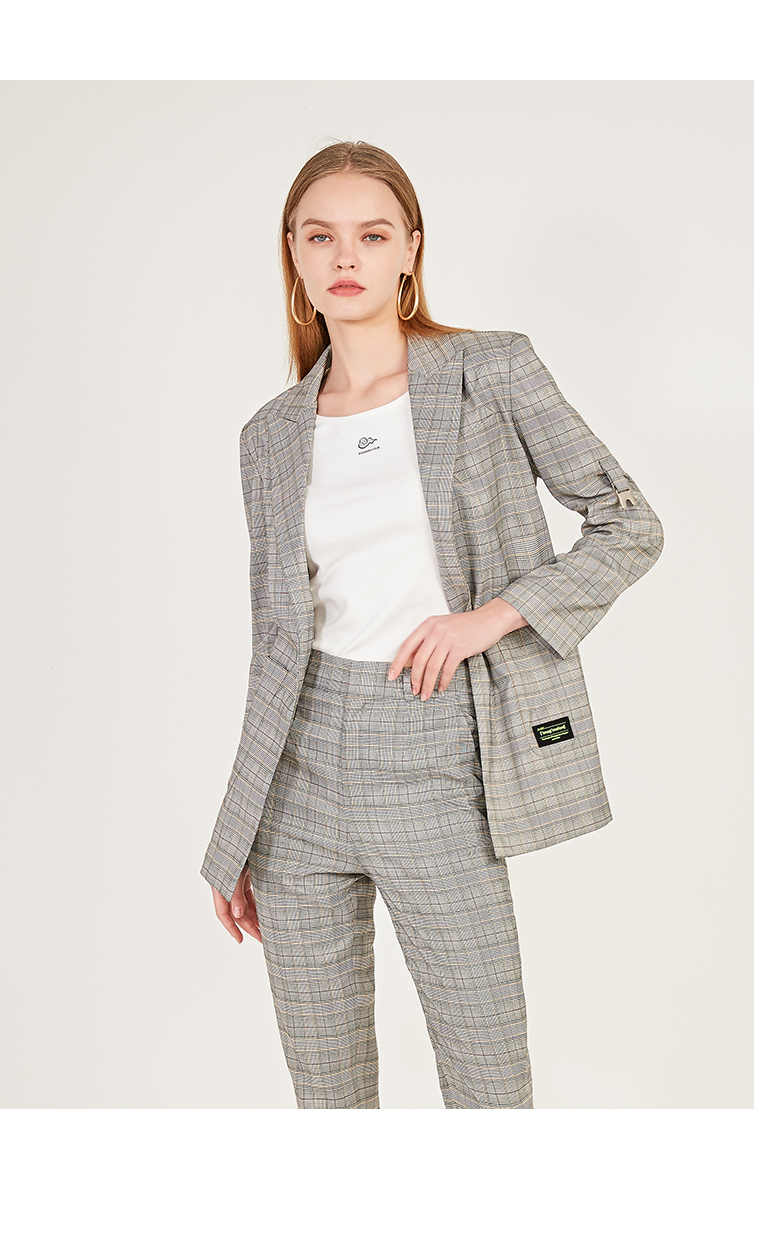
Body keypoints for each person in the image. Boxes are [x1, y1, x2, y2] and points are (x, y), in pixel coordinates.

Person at [199, 140, 664, 1110]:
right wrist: (239, 829)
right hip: (296, 779)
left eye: (372, 235)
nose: (346, 256)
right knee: (326, 1098)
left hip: (437, 746)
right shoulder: (270, 435)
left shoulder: (490, 370)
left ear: (411, 248)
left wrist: (486, 619)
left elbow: (629, 524)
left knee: (487, 1082)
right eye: (320, 236)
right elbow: (274, 644)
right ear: (292, 253)